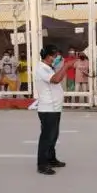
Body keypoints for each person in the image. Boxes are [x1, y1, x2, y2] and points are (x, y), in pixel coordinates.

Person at [34, 45, 68, 175]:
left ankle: (51, 159)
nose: (56, 58)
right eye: (54, 55)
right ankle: (42, 165)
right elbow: (56, 80)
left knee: (53, 136)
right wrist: (66, 67)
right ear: (48, 56)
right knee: (47, 137)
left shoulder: (48, 68)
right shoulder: (41, 68)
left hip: (54, 108)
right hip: (48, 108)